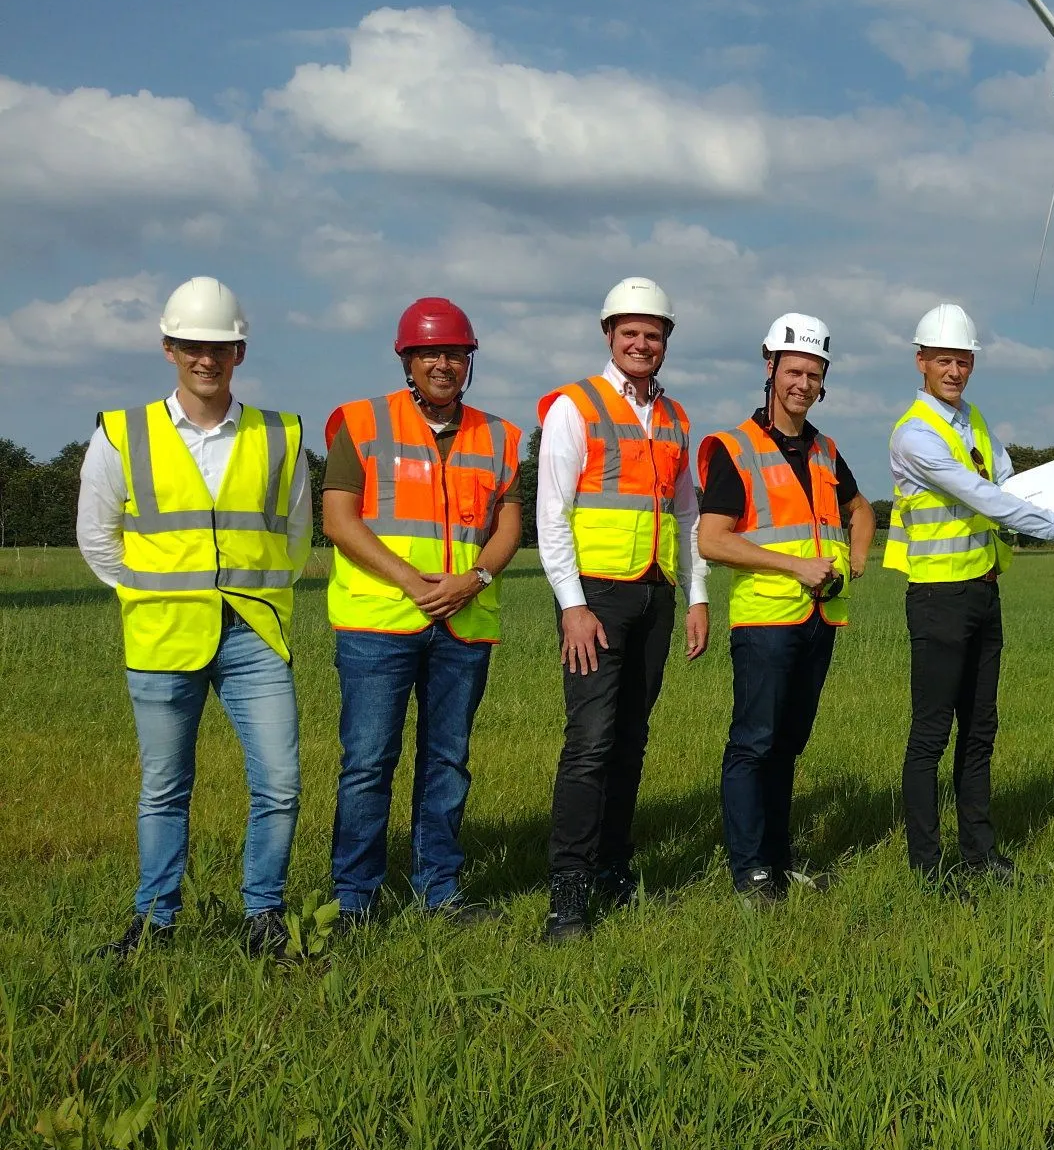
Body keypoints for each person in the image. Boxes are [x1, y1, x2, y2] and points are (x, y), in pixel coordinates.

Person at [76, 277, 309, 957]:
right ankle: (154, 921)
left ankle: (263, 914)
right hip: (161, 635)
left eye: (221, 346)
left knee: (280, 782)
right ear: (169, 348)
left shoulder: (281, 434)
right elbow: (97, 534)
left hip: (254, 634)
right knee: (164, 787)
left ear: (239, 351)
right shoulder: (123, 434)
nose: (206, 358)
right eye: (192, 346)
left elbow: (295, 538)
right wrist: (146, 594)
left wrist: (254, 593)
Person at [318, 299, 522, 926]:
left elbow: (508, 527)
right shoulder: (361, 423)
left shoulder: (500, 436)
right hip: (379, 624)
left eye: (455, 354)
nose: (443, 364)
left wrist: (475, 578)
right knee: (368, 762)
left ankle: (440, 890)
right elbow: (338, 519)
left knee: (448, 762)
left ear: (469, 362)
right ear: (407, 360)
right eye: (430, 353)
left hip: (463, 624)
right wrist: (412, 581)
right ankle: (355, 898)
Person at [887, 302, 1054, 888]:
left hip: (982, 592)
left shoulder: (974, 422)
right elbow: (987, 498)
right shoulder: (915, 435)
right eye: (944, 360)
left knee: (981, 730)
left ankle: (980, 853)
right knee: (930, 734)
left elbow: (1010, 484)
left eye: (964, 360)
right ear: (921, 361)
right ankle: (927, 866)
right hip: (937, 599)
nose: (955, 370)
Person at [537, 277, 711, 942]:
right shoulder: (574, 407)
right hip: (595, 597)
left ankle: (613, 868)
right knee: (589, 746)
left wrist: (695, 596)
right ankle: (568, 898)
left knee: (631, 743)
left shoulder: (673, 417)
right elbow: (552, 513)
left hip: (654, 592)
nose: (642, 343)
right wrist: (573, 607)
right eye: (630, 332)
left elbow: (687, 511)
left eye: (654, 333)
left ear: (666, 340)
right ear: (609, 335)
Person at [697, 313, 876, 901]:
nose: (804, 384)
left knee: (788, 744)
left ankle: (778, 858)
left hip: (819, 621)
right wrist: (796, 567)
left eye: (815, 374)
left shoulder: (826, 449)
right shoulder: (734, 447)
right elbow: (712, 539)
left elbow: (862, 511)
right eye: (795, 370)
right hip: (766, 622)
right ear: (770, 368)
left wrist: (853, 561)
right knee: (753, 743)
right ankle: (750, 869)